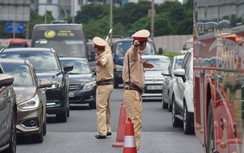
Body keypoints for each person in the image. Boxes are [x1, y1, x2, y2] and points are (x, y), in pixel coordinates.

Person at [122, 29, 154, 150]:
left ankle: (130, 148)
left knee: (131, 122)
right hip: (132, 92)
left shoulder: (137, 55)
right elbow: (133, 53)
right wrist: (136, 45)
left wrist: (144, 65)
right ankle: (134, 149)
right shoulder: (133, 51)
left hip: (134, 93)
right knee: (136, 122)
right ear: (143, 43)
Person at [93, 36, 114, 139]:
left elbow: (103, 62)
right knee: (107, 109)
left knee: (101, 109)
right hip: (109, 85)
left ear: (97, 48)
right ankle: (108, 128)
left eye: (94, 47)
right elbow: (108, 47)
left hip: (103, 86)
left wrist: (100, 62)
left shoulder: (104, 57)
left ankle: (102, 132)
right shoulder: (109, 53)